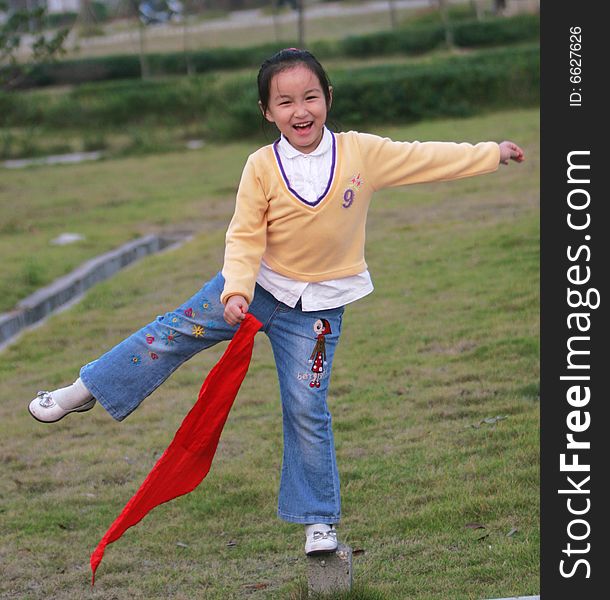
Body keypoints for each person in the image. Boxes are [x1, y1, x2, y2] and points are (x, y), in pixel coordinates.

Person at [28, 48, 524, 557]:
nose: (300, 110)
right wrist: (237, 291)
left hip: (318, 310)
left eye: (310, 96)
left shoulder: (361, 153)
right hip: (253, 289)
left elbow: (424, 156)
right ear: (267, 111)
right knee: (170, 332)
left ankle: (318, 522)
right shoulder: (260, 166)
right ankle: (85, 388)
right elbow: (244, 236)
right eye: (284, 102)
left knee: (307, 405)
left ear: (328, 98)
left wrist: (490, 153)